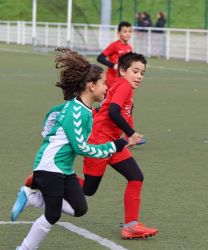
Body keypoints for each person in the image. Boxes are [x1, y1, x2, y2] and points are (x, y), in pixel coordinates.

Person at [10, 48, 131, 250]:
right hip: (50, 166)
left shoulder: (83, 108)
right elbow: (82, 148)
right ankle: (24, 248)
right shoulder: (77, 112)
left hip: (64, 168)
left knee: (79, 208)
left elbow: (53, 114)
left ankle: (30, 196)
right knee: (52, 215)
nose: (107, 88)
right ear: (92, 86)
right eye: (104, 84)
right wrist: (113, 146)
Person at [81, 52, 159, 239]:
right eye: (135, 71)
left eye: (142, 73)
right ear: (123, 71)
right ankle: (44, 178)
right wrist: (131, 134)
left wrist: (128, 135)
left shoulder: (123, 87)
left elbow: (114, 112)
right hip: (99, 143)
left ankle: (130, 226)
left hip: (114, 144)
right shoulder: (123, 85)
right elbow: (113, 113)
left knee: (135, 177)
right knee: (88, 190)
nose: (139, 76)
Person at [97, 21, 133, 88]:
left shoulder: (130, 48)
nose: (128, 34)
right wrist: (113, 65)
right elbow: (100, 58)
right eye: (125, 32)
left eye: (130, 32)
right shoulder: (114, 45)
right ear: (118, 33)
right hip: (112, 81)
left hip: (123, 80)